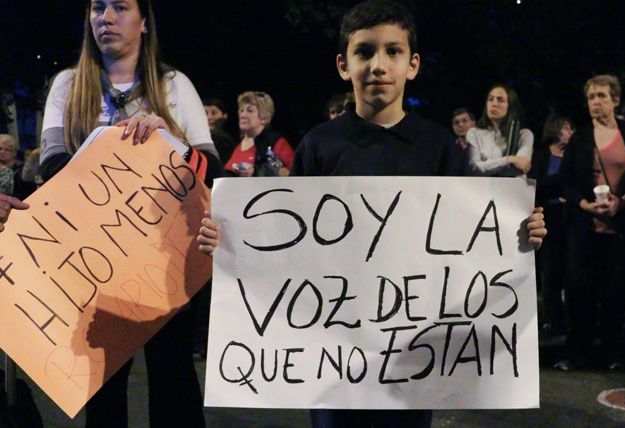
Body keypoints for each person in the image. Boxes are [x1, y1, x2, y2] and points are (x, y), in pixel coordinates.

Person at [198, 1, 547, 427]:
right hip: (332, 358)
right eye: (364, 52)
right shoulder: (319, 145)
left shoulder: (437, 146)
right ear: (344, 65)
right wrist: (231, 242)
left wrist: (520, 233)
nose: (378, 65)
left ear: (413, 65)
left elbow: (473, 237)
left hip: (415, 358)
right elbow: (284, 243)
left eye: (393, 51)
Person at [39, 0, 220, 426]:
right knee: (103, 385)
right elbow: (50, 165)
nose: (106, 17)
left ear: (143, 23)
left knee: (173, 374)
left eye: (120, 7)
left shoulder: (174, 84)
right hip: (96, 262)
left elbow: (212, 169)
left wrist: (168, 141)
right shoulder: (68, 84)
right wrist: (108, 145)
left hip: (168, 259)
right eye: (97, 8)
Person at [556, 74, 625, 371]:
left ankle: (612, 351)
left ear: (615, 100)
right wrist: (584, 204)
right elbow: (564, 182)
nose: (595, 102)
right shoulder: (580, 138)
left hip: (619, 226)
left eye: (601, 96)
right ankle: (577, 350)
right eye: (591, 97)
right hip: (585, 226)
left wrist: (623, 201)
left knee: (616, 290)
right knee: (580, 290)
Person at [529, 115, 573, 334]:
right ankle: (552, 319)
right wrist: (561, 184)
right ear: (556, 130)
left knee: (571, 269)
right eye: (566, 128)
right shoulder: (541, 155)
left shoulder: (573, 154)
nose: (571, 132)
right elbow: (535, 184)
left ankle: (572, 319)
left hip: (571, 215)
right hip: (549, 215)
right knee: (551, 269)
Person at [466, 83, 533, 176]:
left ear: (510, 106)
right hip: (484, 185)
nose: (494, 104)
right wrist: (509, 159)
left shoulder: (524, 134)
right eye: (490, 99)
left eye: (500, 100)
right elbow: (474, 168)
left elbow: (519, 167)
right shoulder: (474, 133)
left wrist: (486, 164)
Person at [224, 91, 294, 177]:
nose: (242, 115)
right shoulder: (232, 143)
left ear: (264, 117)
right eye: (241, 110)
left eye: (250, 111)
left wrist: (256, 172)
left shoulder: (276, 142)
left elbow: (292, 174)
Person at [0, 134, 35, 200]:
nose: (2, 152)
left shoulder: (23, 170)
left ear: (14, 153)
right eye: (0, 149)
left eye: (7, 149)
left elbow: (29, 192)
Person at [203, 97, 237, 165]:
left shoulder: (225, 139)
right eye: (205, 113)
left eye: (214, 113)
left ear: (224, 116)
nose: (209, 117)